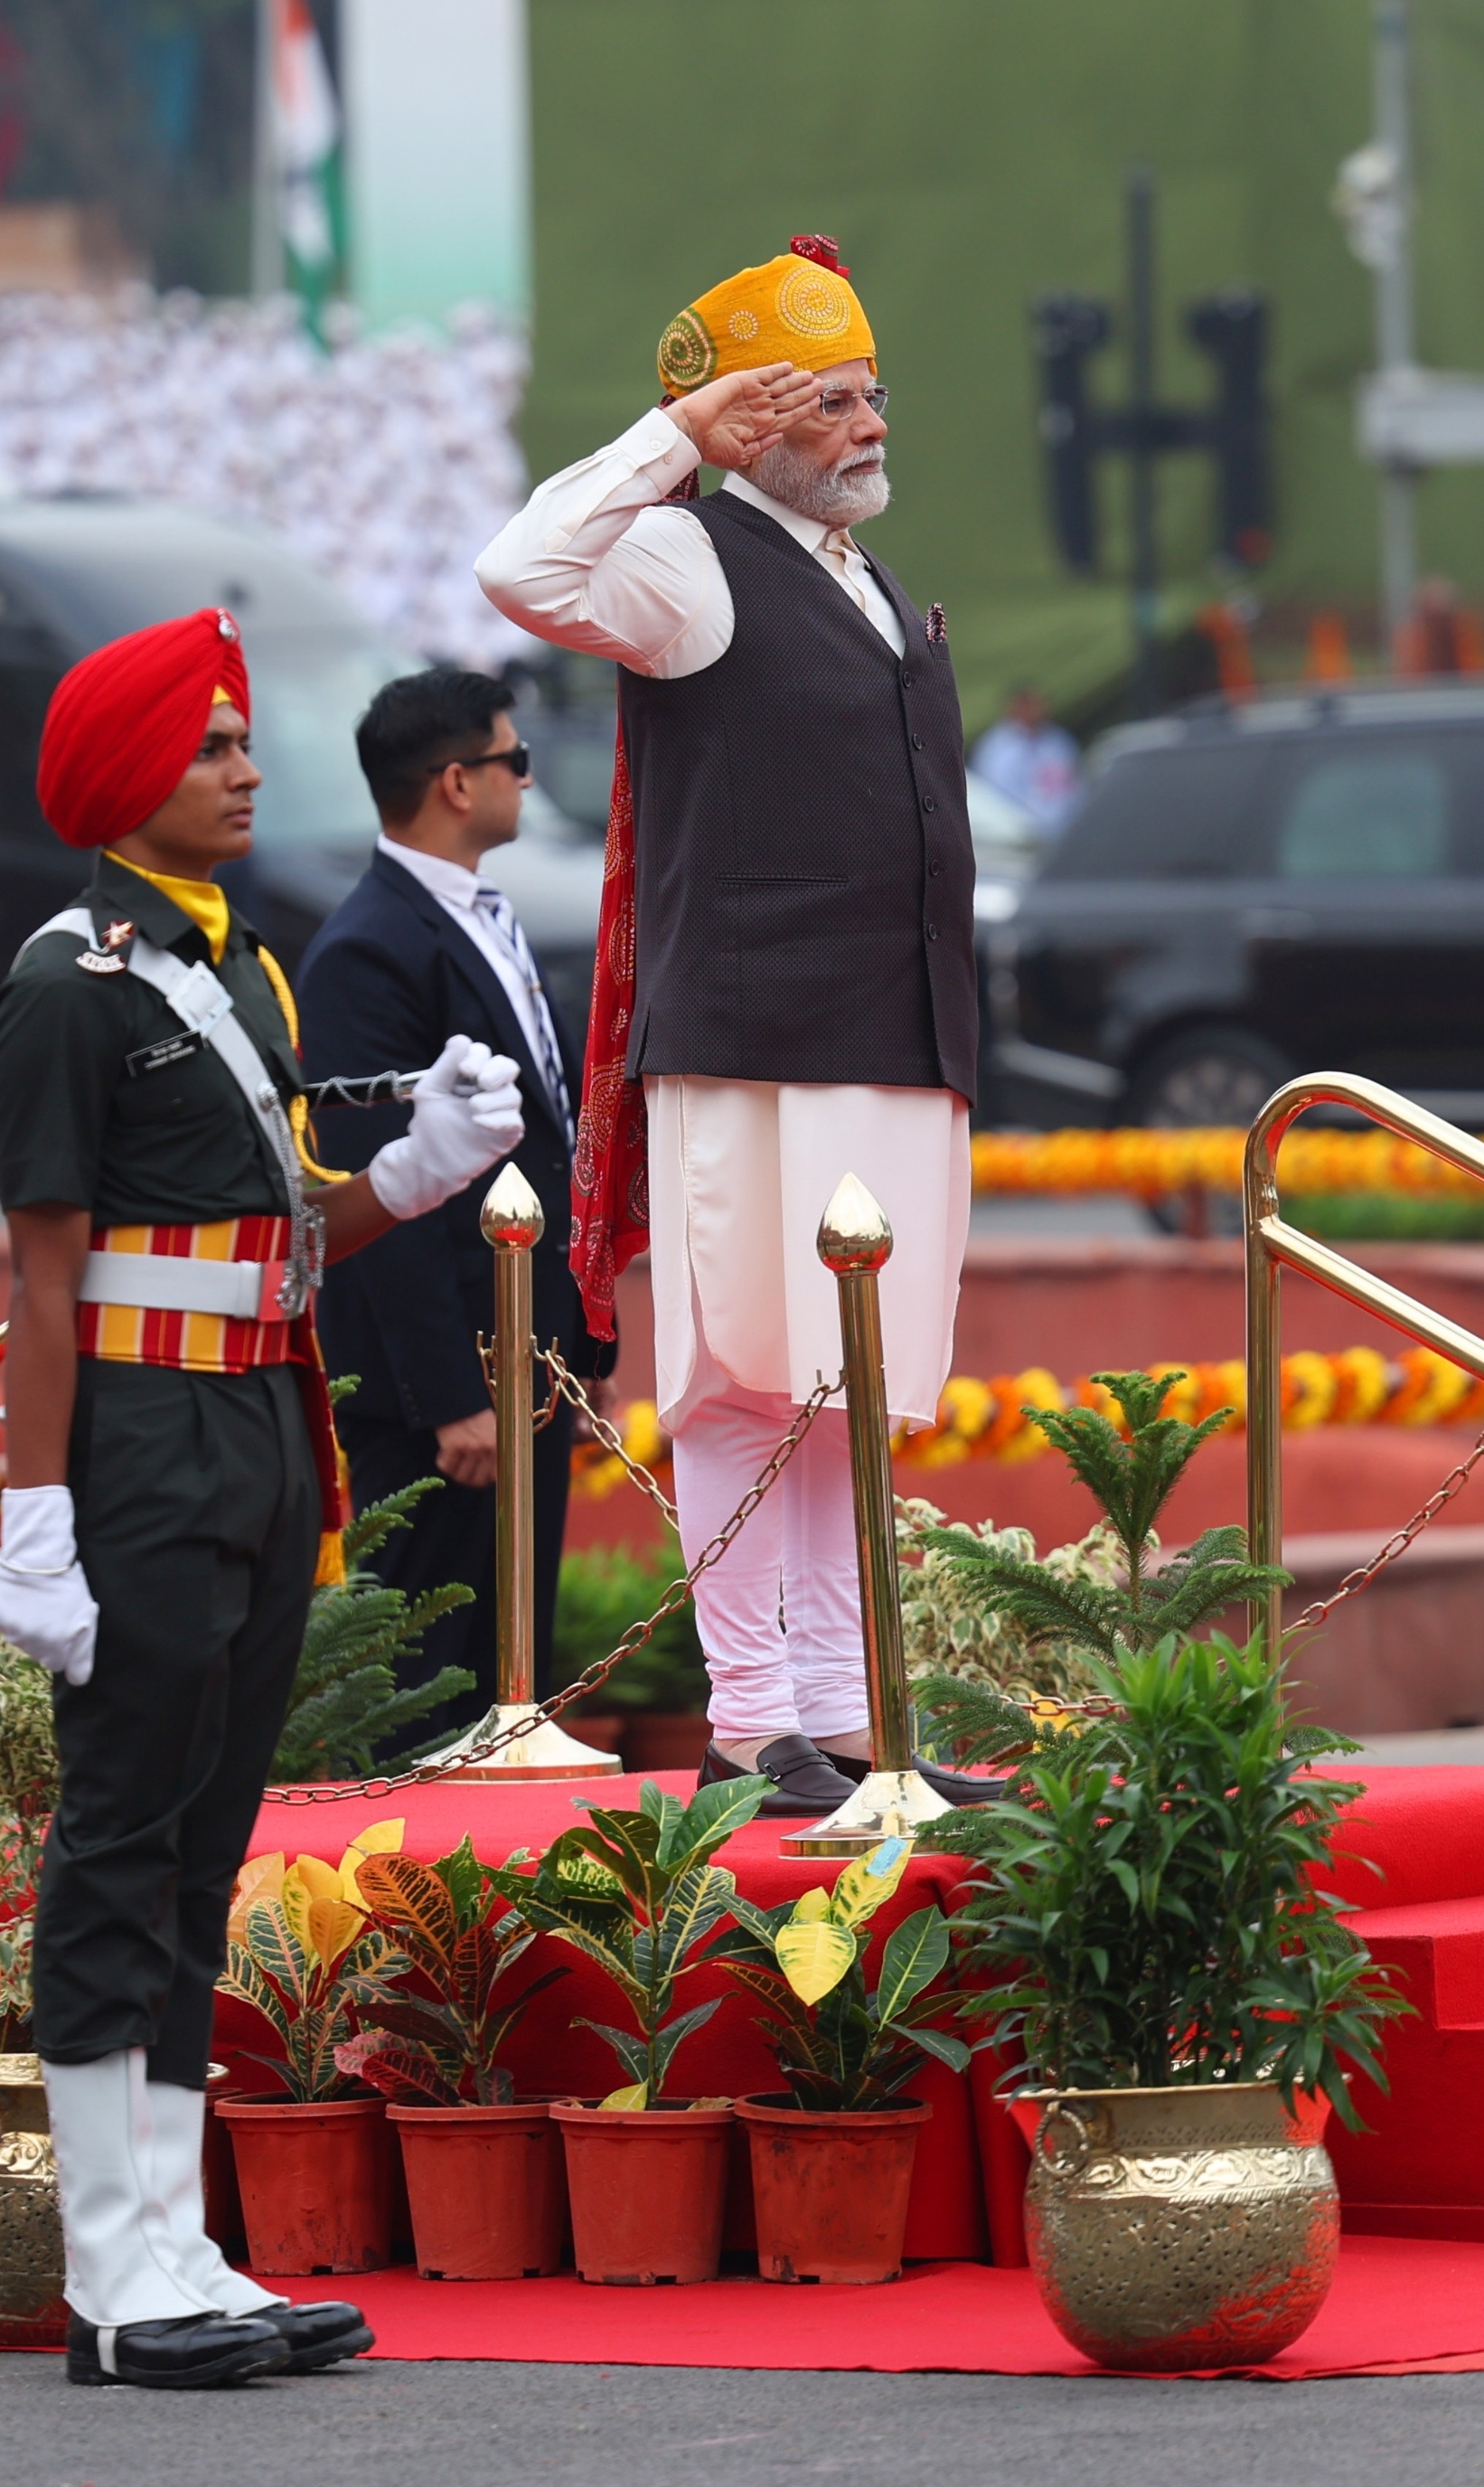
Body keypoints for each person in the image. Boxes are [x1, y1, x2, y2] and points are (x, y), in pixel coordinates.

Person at [0, 607, 526, 2390]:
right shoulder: (67, 983)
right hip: (134, 1441)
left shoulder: (242, 976)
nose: (244, 768)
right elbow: (45, 1280)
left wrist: (424, 1164)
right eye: (209, 745)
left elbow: (287, 1231)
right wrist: (34, 1513)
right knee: (116, 1837)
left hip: (259, 1428)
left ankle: (176, 2236)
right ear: (129, 778)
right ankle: (103, 2269)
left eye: (237, 739)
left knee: (203, 1848)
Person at [476, 234, 1001, 1817]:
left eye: (871, 394)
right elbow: (522, 569)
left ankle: (847, 1718)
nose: (866, 425)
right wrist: (667, 447)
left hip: (901, 1040)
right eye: (827, 402)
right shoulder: (690, 556)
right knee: (744, 1380)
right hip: (756, 1043)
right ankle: (750, 1711)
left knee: (858, 1378)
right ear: (749, 430)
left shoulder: (869, 578)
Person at [296, 668, 614, 1744]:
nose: (527, 779)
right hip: (444, 1394)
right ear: (455, 783)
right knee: (428, 1697)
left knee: (511, 1686)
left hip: (525, 1355)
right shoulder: (365, 951)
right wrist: (446, 1397)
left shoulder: (483, 912)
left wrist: (583, 1346)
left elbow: (554, 1136)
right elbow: (376, 1191)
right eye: (513, 761)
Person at [971, 684, 1079, 833]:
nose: (1035, 711)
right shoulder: (996, 749)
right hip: (1015, 837)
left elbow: (1076, 786)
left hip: (1063, 831)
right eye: (1028, 706)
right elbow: (992, 798)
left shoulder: (1058, 741)